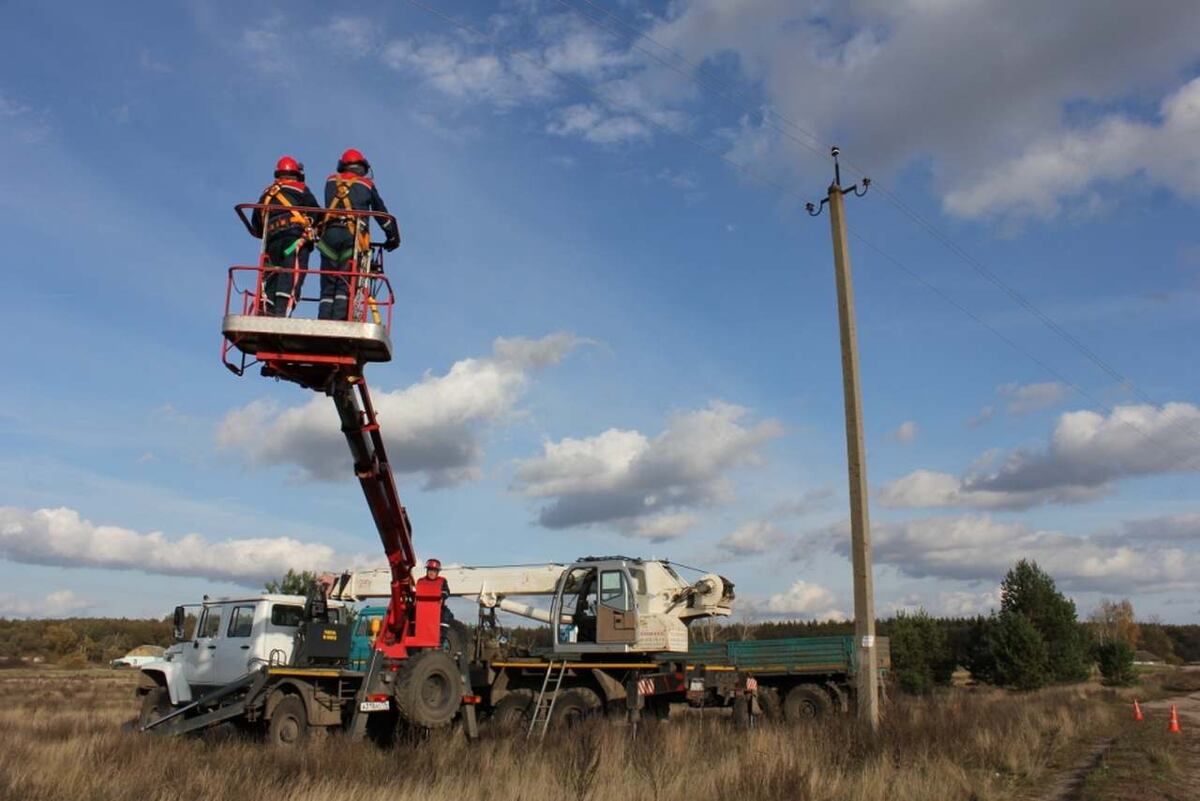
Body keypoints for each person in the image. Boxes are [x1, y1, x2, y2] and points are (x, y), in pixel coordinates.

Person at [317, 148, 400, 320]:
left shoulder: (330, 181)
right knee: (345, 282)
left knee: (328, 285)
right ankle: (339, 321)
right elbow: (382, 215)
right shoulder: (367, 185)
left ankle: (324, 320)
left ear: (342, 165)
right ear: (363, 167)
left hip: (328, 237)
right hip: (352, 238)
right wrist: (392, 238)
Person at [250, 156, 319, 316]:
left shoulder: (266, 193)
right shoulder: (300, 189)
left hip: (272, 242)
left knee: (272, 274)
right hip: (295, 241)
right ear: (296, 174)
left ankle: (265, 311)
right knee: (291, 275)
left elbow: (256, 225)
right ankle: (281, 314)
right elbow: (316, 212)